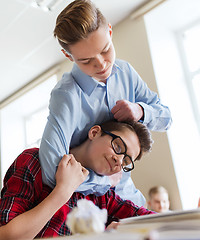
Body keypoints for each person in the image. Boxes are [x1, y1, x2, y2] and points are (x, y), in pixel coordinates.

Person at [39, 0, 172, 207]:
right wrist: (103, 181)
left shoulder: (125, 72)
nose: (101, 64)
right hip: (90, 206)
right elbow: (51, 171)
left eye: (105, 49)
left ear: (109, 31)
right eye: (86, 60)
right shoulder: (66, 96)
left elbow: (166, 118)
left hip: (130, 199)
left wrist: (140, 110)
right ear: (68, 56)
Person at [0, 120, 155, 239]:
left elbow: (149, 218)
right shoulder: (34, 161)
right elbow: (4, 237)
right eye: (118, 147)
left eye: (126, 161)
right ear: (94, 132)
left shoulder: (103, 193)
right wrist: (63, 191)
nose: (119, 161)